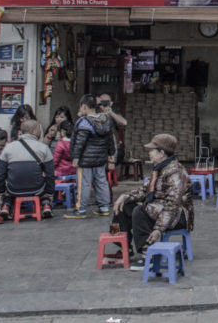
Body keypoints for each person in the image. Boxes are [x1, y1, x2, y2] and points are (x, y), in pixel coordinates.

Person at [115, 134, 193, 270]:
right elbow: (145, 191)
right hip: (159, 209)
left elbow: (172, 205)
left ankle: (148, 256)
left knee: (140, 212)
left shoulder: (176, 172)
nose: (149, 153)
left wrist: (158, 229)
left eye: (152, 150)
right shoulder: (158, 169)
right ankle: (123, 246)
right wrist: (125, 196)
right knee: (123, 207)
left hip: (177, 216)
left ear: (162, 153)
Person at [65, 94, 115, 218]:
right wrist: (111, 154)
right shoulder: (105, 120)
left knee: (84, 184)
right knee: (101, 182)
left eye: (81, 107)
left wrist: (76, 158)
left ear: (84, 106)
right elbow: (110, 139)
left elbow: (79, 143)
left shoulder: (84, 122)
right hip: (100, 159)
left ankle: (80, 210)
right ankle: (104, 208)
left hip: (85, 160)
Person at [0, 119, 56, 220]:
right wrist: (50, 193)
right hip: (37, 188)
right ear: (33, 131)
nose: (41, 131)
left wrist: (1, 193)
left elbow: (0, 174)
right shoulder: (43, 148)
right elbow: (50, 174)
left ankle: (6, 206)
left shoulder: (8, 147)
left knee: (8, 192)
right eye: (39, 129)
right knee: (44, 184)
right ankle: (46, 204)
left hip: (14, 189)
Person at [97, 94, 127, 166]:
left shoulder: (113, 114)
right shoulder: (95, 113)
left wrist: (110, 113)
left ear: (111, 103)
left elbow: (124, 122)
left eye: (106, 102)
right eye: (102, 102)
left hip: (111, 149)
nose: (103, 104)